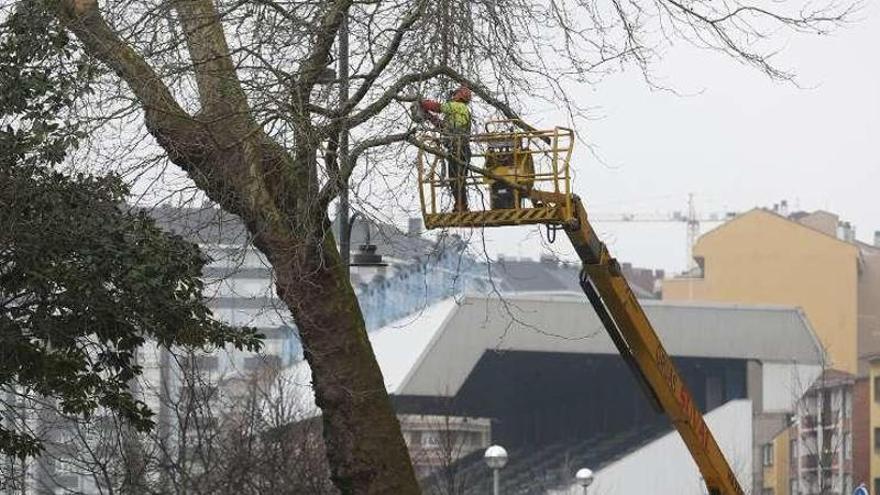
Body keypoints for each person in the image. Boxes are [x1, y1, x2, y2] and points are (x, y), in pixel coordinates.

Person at [420, 86, 473, 212]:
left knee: (456, 180)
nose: (452, 96)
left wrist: (422, 103)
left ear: (459, 96)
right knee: (458, 181)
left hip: (459, 149)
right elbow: (445, 128)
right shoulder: (459, 112)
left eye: (455, 94)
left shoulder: (457, 106)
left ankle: (461, 206)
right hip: (460, 149)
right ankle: (460, 206)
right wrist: (429, 117)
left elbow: (438, 107)